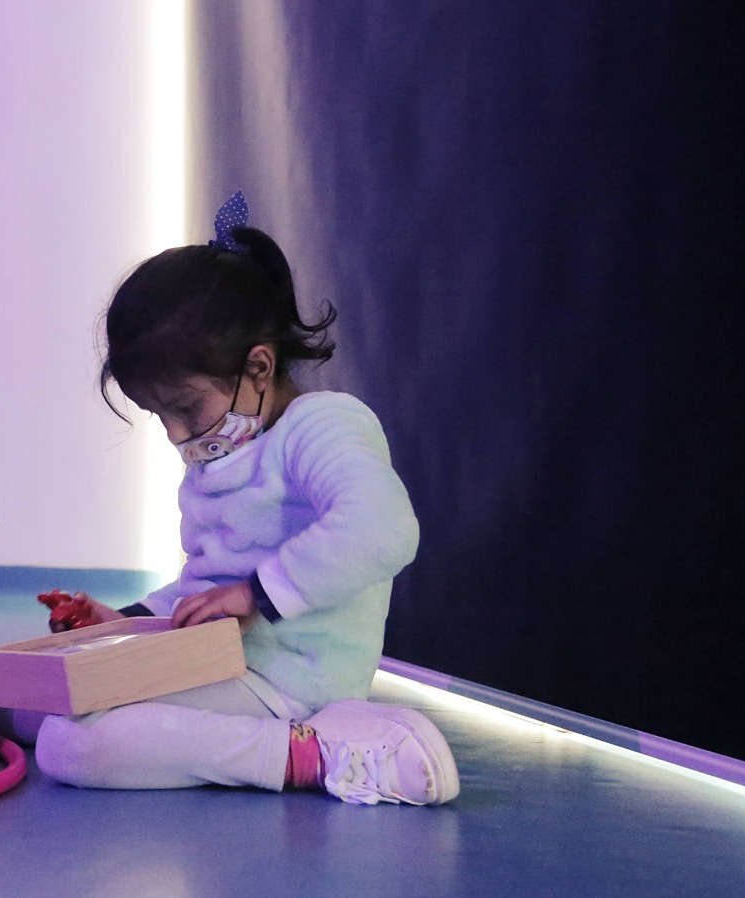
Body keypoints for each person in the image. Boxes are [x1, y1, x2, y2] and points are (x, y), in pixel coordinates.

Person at [35, 193, 459, 805]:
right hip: (223, 666)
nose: (178, 435)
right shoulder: (227, 445)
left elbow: (385, 527)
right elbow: (208, 585)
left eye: (184, 409)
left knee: (68, 742)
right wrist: (124, 625)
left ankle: (311, 752)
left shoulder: (323, 425)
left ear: (259, 367)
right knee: (36, 699)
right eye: (160, 417)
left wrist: (257, 594)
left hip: (290, 682)